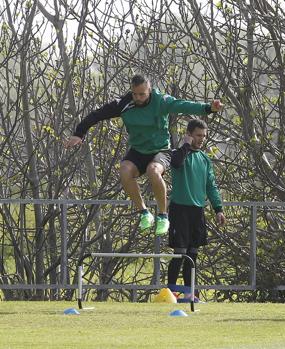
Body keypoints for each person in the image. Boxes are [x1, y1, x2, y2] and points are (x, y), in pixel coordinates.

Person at [65, 74, 223, 235]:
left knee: (153, 171)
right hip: (138, 151)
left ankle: (162, 216)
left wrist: (208, 108)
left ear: (149, 91)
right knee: (125, 170)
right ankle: (144, 213)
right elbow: (97, 114)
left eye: (142, 94)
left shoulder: (161, 101)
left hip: (161, 150)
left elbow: (183, 105)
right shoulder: (123, 104)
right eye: (135, 94)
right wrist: (79, 133)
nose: (138, 98)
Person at [166, 119, 225, 301]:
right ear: (189, 135)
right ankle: (171, 292)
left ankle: (189, 292)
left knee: (193, 253)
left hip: (197, 211)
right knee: (180, 252)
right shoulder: (178, 153)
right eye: (198, 135)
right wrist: (185, 145)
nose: (201, 139)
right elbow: (175, 164)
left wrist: (218, 208)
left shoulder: (205, 159)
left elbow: (211, 186)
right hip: (179, 209)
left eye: (204, 136)